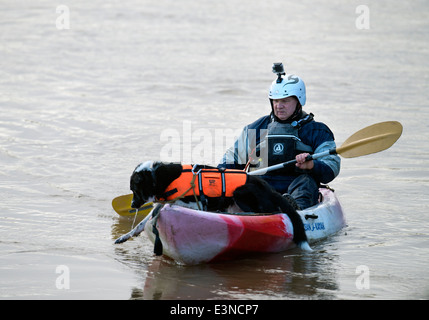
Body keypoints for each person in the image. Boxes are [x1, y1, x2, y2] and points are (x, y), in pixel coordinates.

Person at [218, 63, 340, 209]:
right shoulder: (257, 128)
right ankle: (250, 212)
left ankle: (294, 210)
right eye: (275, 101)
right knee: (248, 182)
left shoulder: (317, 131)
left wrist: (312, 164)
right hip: (264, 185)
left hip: (297, 184)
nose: (279, 106)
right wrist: (218, 174)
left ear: (299, 101)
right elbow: (232, 159)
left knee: (306, 182)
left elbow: (332, 167)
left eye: (285, 101)